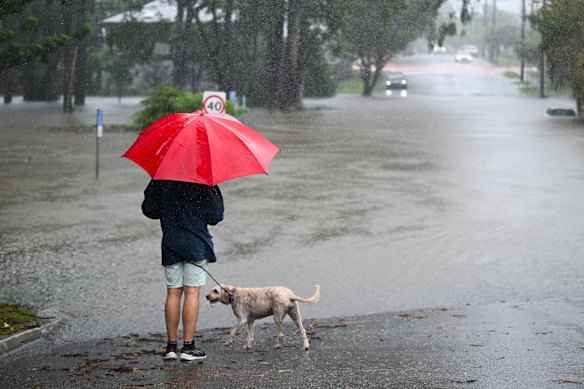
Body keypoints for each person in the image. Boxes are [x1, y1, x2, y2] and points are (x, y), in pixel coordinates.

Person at [141, 179, 224, 361]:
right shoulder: (204, 180)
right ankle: (188, 347)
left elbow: (149, 210)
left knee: (173, 293)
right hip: (196, 244)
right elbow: (216, 216)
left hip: (171, 243)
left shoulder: (161, 178)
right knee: (192, 292)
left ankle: (171, 347)